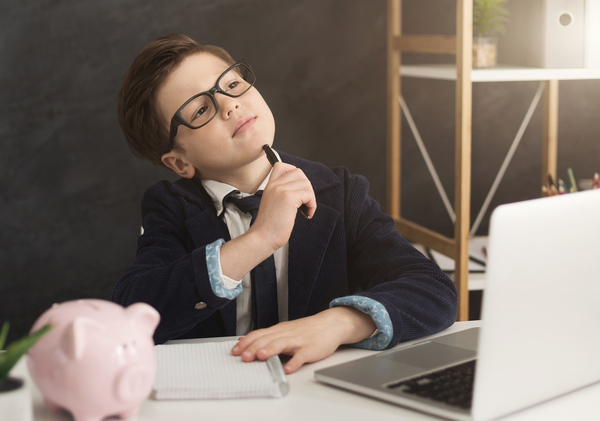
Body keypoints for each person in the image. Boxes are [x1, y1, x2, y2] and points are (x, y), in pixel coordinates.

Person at [113, 33, 458, 374]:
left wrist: (338, 324)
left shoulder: (339, 191)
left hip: (317, 390)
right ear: (180, 163)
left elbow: (432, 289)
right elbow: (134, 311)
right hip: (218, 394)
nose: (229, 105)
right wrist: (261, 238)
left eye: (231, 85)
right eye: (201, 109)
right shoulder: (170, 206)